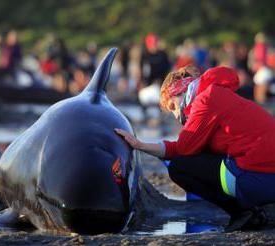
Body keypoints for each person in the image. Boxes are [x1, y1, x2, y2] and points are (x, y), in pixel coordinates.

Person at [115, 65, 275, 232]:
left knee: (179, 167)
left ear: (181, 92)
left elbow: (183, 150)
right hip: (266, 173)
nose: (176, 115)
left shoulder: (205, 100)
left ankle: (245, 212)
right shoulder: (216, 92)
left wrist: (141, 145)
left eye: (173, 107)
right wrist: (140, 145)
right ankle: (253, 209)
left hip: (260, 178)